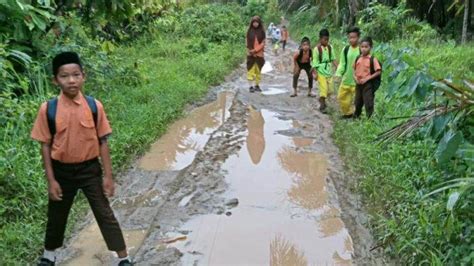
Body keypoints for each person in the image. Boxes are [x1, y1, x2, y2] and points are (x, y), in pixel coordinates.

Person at [31, 52, 132, 266]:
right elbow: (45, 146)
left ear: (83, 76)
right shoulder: (48, 109)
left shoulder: (94, 106)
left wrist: (108, 177)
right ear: (55, 80)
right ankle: (49, 256)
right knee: (57, 214)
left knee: (104, 213)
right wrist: (51, 181)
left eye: (76, 75)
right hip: (62, 171)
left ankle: (124, 258)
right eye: (64, 76)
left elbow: (103, 142)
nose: (71, 80)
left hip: (89, 170)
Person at [335, 26, 361, 119]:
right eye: (350, 37)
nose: (351, 40)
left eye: (354, 37)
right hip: (346, 79)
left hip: (357, 81)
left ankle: (357, 115)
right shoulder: (346, 50)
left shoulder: (362, 50)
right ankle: (348, 113)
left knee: (358, 100)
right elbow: (342, 63)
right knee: (341, 97)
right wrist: (338, 74)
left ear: (358, 38)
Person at [353, 37, 382, 118]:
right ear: (359, 47)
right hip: (358, 84)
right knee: (357, 101)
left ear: (370, 47)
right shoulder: (358, 58)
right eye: (362, 47)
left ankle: (369, 118)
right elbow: (354, 71)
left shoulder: (372, 59)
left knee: (368, 101)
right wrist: (355, 78)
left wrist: (367, 79)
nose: (364, 49)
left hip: (368, 84)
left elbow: (378, 71)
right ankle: (356, 116)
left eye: (366, 47)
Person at [312, 29, 337, 113]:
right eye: (324, 39)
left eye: (327, 39)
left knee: (330, 90)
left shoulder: (330, 48)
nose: (326, 41)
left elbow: (333, 59)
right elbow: (315, 63)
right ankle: (322, 106)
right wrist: (315, 73)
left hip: (329, 71)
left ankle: (321, 99)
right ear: (320, 39)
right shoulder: (316, 49)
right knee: (323, 90)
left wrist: (337, 67)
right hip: (321, 72)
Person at [246, 16, 266, 93]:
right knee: (250, 70)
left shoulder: (262, 32)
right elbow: (247, 42)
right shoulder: (249, 31)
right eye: (254, 22)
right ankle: (250, 86)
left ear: (259, 23)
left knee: (258, 71)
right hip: (251, 54)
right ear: (252, 23)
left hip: (259, 55)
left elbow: (263, 43)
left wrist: (255, 50)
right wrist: (251, 51)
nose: (255, 24)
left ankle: (257, 85)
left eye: (257, 22)